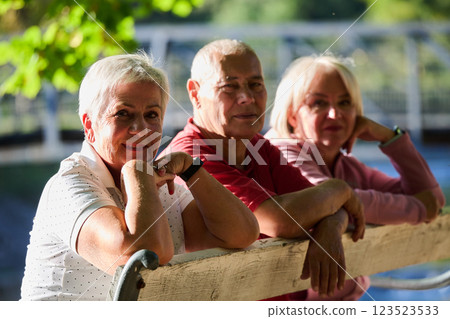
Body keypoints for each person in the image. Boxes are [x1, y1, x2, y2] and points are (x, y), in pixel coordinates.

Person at [20, 52, 259, 301]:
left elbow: (243, 233)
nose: (141, 128)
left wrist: (191, 169)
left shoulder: (161, 185)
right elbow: (142, 260)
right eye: (123, 113)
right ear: (89, 127)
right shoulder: (68, 185)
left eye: (152, 115)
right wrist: (136, 171)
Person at [162, 39, 366, 300]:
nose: (247, 97)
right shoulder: (190, 157)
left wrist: (332, 224)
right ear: (195, 93)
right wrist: (340, 188)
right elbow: (279, 220)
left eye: (255, 85)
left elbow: (323, 204)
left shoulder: (259, 146)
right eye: (230, 86)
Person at [266, 55, 444, 226]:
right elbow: (325, 200)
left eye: (344, 103)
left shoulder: (348, 168)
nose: (335, 114)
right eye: (319, 103)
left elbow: (433, 200)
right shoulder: (279, 152)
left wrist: (390, 138)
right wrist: (418, 210)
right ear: (292, 116)